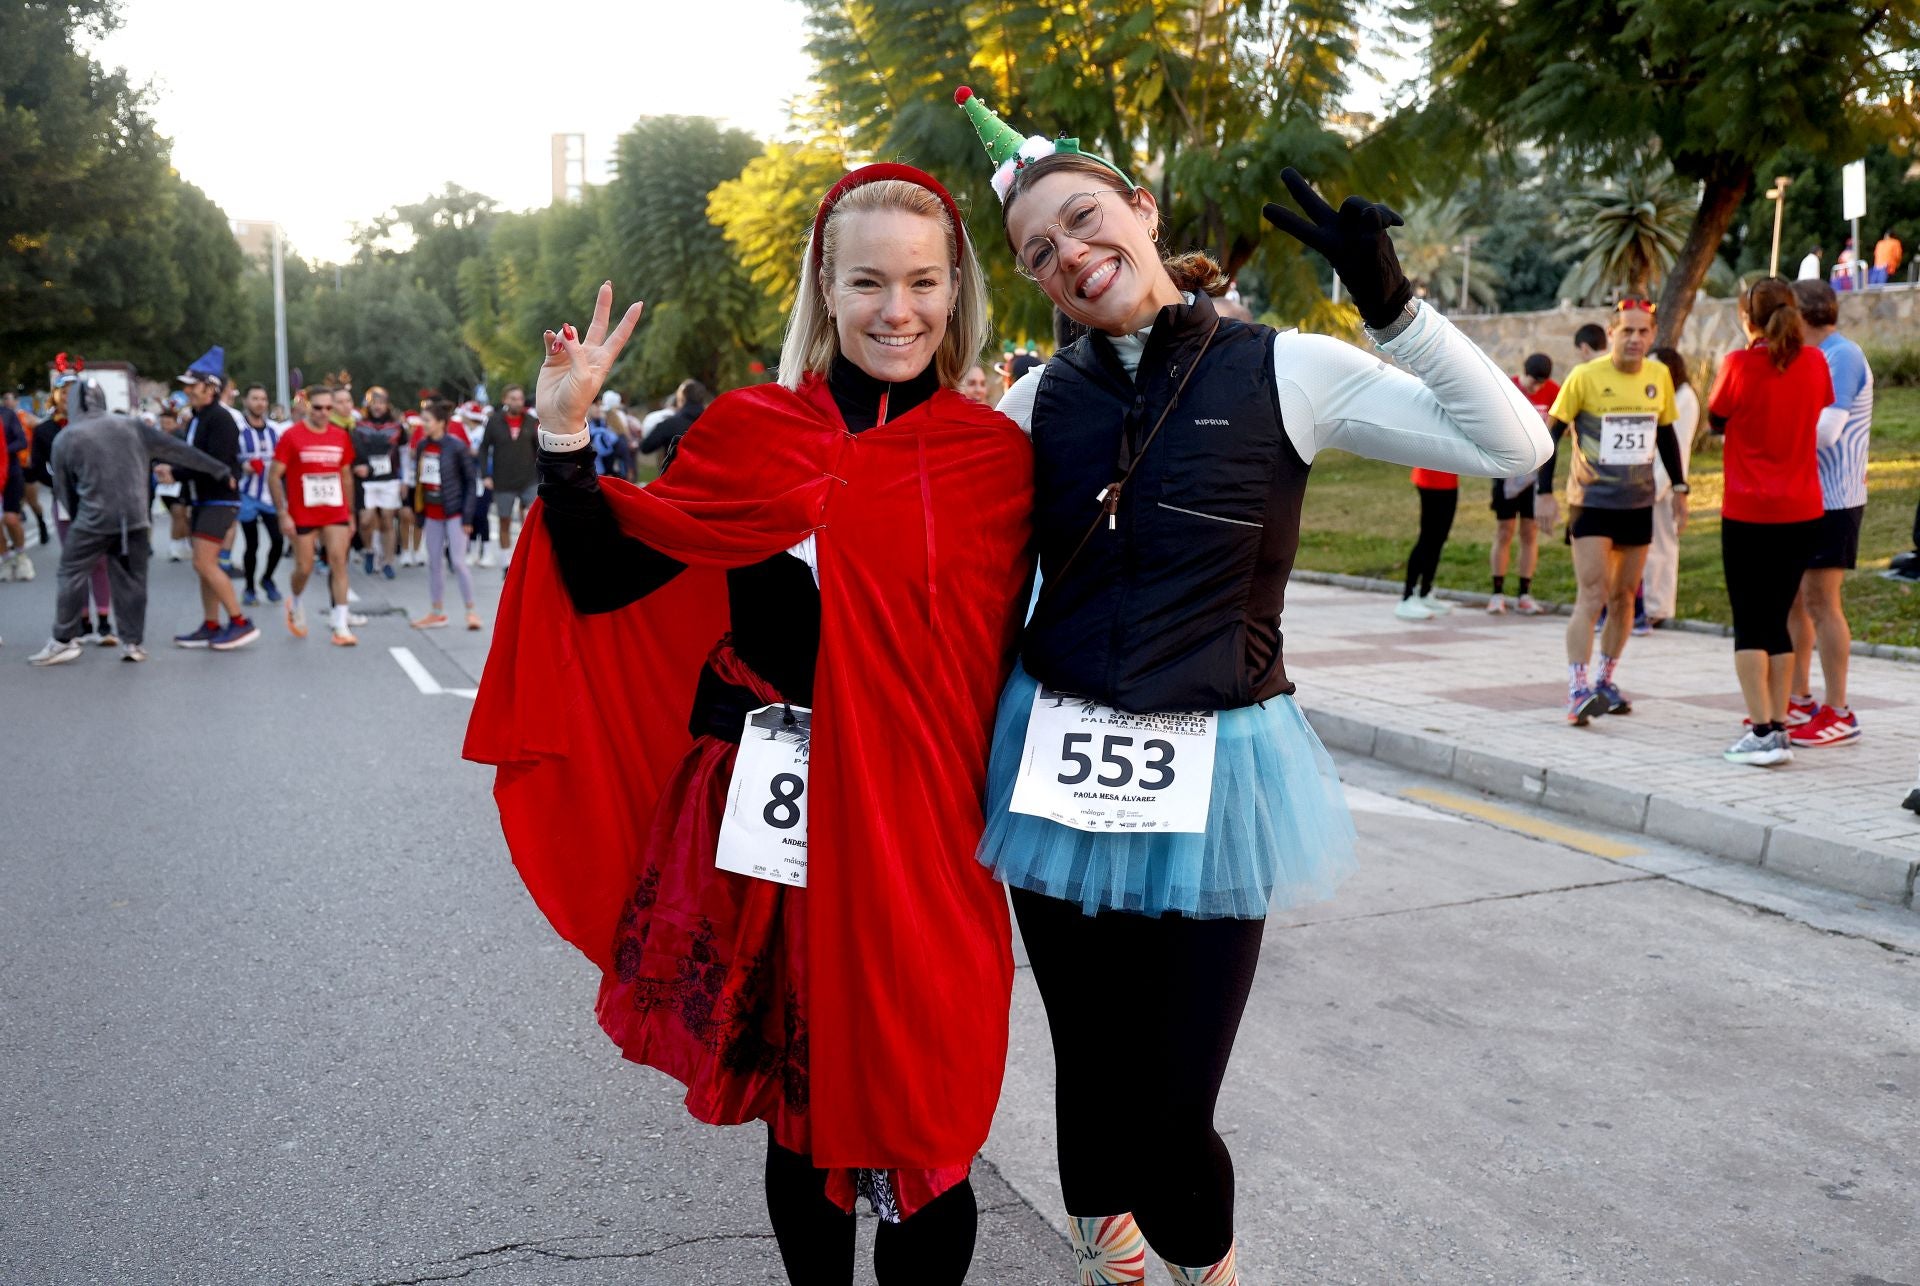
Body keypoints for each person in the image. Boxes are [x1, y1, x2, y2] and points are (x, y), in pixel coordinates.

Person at [955, 86, 1549, 1285]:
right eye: (1038, 252)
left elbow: (1516, 447)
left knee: (1172, 1107)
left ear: (1141, 205)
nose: (1069, 254)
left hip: (1220, 764)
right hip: (1058, 754)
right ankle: (1098, 1233)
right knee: (1089, 1053)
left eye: (1082, 220)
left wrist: (1396, 308)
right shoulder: (1032, 404)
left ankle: (1203, 1262)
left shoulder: (1287, 369)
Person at [465, 163, 1033, 1286]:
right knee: (800, 1105)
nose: (897, 309)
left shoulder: (995, 459)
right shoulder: (749, 434)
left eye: (922, 282)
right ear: (826, 286)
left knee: (935, 1108)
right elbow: (602, 572)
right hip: (777, 824)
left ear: (954, 289)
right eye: (868, 281)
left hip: (931, 833)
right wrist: (566, 436)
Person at [1535, 300, 1689, 725]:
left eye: (1643, 332)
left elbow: (1665, 434)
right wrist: (1542, 492)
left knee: (1623, 598)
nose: (1635, 339)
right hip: (1592, 502)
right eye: (1627, 331)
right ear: (1612, 332)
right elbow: (1553, 435)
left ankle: (1605, 680)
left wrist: (1680, 488)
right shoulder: (1584, 377)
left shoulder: (1658, 376)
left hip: (1636, 504)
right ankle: (1577, 689)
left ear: (1653, 336)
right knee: (1593, 593)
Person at [1707, 278, 1830, 766]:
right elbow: (1818, 403)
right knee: (1778, 618)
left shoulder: (1737, 363)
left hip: (1748, 510)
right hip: (1802, 510)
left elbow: (1717, 418)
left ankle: (1762, 732)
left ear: (1747, 318)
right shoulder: (1816, 362)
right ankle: (1779, 725)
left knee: (1750, 623)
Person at [27, 378, 231, 665]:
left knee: (71, 573)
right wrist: (219, 469)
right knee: (132, 581)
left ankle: (63, 639)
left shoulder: (67, 437)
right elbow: (178, 451)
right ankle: (132, 643)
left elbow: (63, 488)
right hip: (134, 518)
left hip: (93, 519)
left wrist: (77, 516)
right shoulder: (132, 427)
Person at [1786, 278, 1872, 747]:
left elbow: (1827, 431)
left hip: (1834, 500)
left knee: (1823, 603)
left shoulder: (1842, 356)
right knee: (1798, 600)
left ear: (1800, 314)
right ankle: (1799, 698)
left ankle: (1839, 710)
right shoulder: (1815, 356)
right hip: (1806, 498)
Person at [172, 349, 258, 650]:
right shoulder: (198, 417)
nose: (186, 390)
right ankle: (211, 624)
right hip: (204, 499)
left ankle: (239, 622)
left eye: (192, 385)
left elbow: (213, 464)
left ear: (210, 387)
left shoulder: (220, 419)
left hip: (218, 500)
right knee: (203, 565)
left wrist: (176, 474)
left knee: (204, 562)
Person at [270, 386, 359, 646]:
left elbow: (346, 476)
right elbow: (274, 475)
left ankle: (341, 625)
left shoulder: (341, 436)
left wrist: (351, 513)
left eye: (328, 408)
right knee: (304, 568)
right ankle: (295, 602)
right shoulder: (292, 436)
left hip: (335, 510)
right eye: (318, 407)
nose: (323, 413)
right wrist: (282, 513)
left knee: (338, 561)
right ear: (307, 406)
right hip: (302, 513)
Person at [408, 400, 481, 631]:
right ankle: (437, 611)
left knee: (458, 562)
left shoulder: (456, 447)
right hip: (431, 512)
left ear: (441, 423)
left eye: (427, 420)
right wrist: (418, 511)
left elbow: (471, 482)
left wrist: (468, 517)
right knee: (434, 563)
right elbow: (419, 481)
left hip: (455, 512)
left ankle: (471, 611)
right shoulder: (422, 446)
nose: (423, 424)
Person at [1490, 353, 1553, 615]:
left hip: (1535, 476)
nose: (1535, 388)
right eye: (1531, 382)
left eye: (1540, 384)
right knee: (1505, 530)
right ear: (1523, 372)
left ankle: (1524, 593)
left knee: (1530, 532)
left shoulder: (1553, 392)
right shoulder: (1507, 387)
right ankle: (1497, 593)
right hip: (1507, 472)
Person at [1643, 346, 1701, 626]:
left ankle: (1658, 608)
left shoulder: (1684, 398)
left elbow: (1677, 447)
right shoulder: (1660, 396)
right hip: (1646, 482)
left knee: (1662, 547)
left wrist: (1658, 487)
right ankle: (1646, 604)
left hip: (1662, 486)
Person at [234, 383, 284, 607]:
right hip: (248, 494)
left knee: (278, 540)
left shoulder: (275, 430)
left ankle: (267, 579)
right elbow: (229, 457)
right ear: (246, 401)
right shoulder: (238, 429)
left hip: (271, 494)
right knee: (251, 544)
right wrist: (243, 466)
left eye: (263, 399)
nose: (260, 403)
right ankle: (250, 587)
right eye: (255, 398)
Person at [478, 384, 537, 567]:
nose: (517, 402)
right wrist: (485, 475)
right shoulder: (494, 421)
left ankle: (528, 558)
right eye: (513, 399)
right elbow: (484, 447)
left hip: (529, 478)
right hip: (502, 478)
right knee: (504, 519)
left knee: (532, 519)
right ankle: (506, 561)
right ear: (505, 400)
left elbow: (539, 448)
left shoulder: (530, 421)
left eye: (520, 399)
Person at [352, 386, 405, 578]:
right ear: (368, 405)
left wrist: (404, 480)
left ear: (387, 405)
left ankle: (388, 562)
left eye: (381, 402)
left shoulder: (397, 427)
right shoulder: (358, 426)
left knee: (387, 520)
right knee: (366, 520)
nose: (378, 406)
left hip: (389, 479)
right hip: (367, 479)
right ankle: (369, 550)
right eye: (374, 402)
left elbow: (404, 453)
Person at [1398, 466, 1458, 619]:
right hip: (1430, 479)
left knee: (1439, 538)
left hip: (1449, 479)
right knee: (1427, 538)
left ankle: (1425, 591)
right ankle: (1407, 596)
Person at [636, 378, 708, 462]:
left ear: (682, 399)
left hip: (677, 473)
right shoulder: (713, 425)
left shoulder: (670, 425)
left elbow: (646, 447)